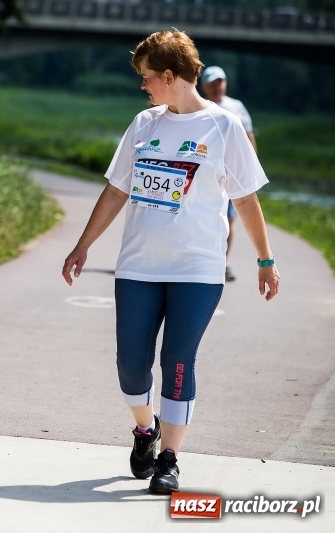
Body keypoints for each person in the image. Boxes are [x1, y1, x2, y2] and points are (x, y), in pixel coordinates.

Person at [61, 30, 280, 494]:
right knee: (131, 366)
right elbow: (118, 189)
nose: (142, 87)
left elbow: (245, 199)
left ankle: (169, 458)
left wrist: (265, 259)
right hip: (139, 265)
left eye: (146, 78)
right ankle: (146, 429)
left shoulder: (224, 127)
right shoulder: (144, 124)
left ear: (168, 75)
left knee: (178, 359)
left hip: (198, 269)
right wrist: (83, 245)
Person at [200, 65, 258, 282]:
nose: (217, 87)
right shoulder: (199, 106)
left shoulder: (236, 107)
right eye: (213, 83)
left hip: (232, 171)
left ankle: (225, 262)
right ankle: (207, 259)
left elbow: (249, 134)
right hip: (207, 170)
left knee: (230, 218)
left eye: (220, 82)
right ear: (204, 86)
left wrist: (251, 166)